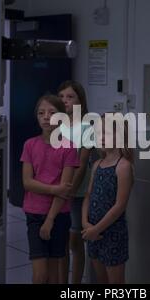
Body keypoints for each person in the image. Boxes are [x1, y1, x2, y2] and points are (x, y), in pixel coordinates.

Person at [20, 95, 79, 284]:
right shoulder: (30, 145)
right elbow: (27, 182)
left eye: (52, 113)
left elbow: (66, 188)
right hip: (34, 213)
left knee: (54, 273)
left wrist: (50, 220)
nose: (46, 117)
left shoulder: (69, 148)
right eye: (41, 113)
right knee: (40, 274)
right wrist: (54, 189)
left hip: (58, 215)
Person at [81, 115, 134, 284]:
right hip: (92, 232)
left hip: (112, 233)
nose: (101, 137)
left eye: (107, 133)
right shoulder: (97, 164)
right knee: (100, 279)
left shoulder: (123, 166)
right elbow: (88, 196)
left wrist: (97, 229)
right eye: (98, 133)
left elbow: (119, 206)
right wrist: (85, 223)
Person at [57, 80, 95, 284]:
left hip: (78, 193)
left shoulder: (86, 126)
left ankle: (76, 284)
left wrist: (69, 191)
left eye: (70, 97)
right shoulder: (57, 125)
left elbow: (81, 164)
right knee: (61, 241)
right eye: (62, 97)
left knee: (75, 242)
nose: (65, 101)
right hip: (57, 191)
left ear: (80, 100)